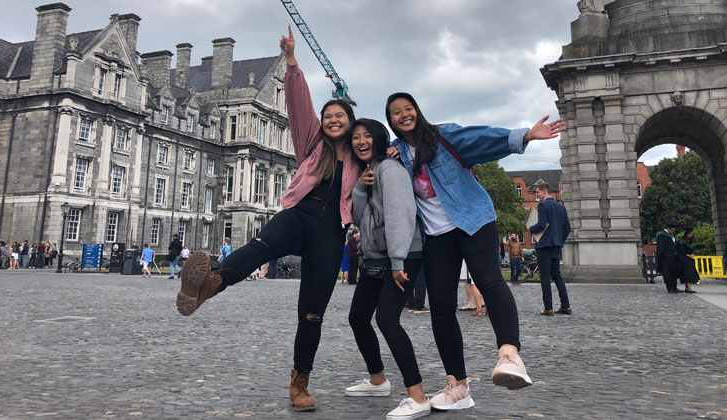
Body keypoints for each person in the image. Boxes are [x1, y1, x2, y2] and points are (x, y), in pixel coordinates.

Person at [175, 25, 359, 412]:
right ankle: (209, 283)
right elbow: (299, 104)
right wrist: (291, 62)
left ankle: (299, 383)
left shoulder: (362, 158)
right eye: (328, 115)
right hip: (299, 215)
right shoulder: (312, 142)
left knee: (311, 313)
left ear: (352, 121)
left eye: (340, 115)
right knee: (260, 246)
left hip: (330, 232)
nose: (332, 119)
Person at [386, 92, 564, 410]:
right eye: (396, 112)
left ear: (418, 111)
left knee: (489, 280)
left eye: (408, 108)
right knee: (440, 307)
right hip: (436, 235)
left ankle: (510, 356)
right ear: (392, 121)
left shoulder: (443, 136)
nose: (403, 114)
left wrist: (524, 134)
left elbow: (481, 138)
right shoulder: (396, 154)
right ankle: (459, 386)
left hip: (473, 220)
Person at [345, 118, 430, 419]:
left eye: (367, 135)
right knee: (357, 318)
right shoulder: (367, 173)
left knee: (387, 320)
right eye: (355, 137)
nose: (360, 141)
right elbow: (358, 218)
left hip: (403, 255)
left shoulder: (391, 170)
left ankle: (417, 396)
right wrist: (358, 187)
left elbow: (400, 216)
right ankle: (378, 380)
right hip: (376, 257)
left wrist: (397, 261)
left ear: (379, 139)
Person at [529, 182, 572, 316]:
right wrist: (559, 241)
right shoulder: (561, 207)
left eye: (537, 192)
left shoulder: (543, 205)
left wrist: (530, 228)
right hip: (556, 246)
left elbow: (541, 224)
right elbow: (567, 228)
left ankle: (548, 308)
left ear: (544, 191)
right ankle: (566, 306)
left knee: (545, 277)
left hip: (544, 246)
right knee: (557, 276)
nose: (536, 195)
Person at [657, 221, 681, 293]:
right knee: (668, 274)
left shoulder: (672, 236)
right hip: (666, 258)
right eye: (672, 230)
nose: (673, 232)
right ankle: (670, 288)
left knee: (674, 273)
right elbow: (661, 248)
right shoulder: (661, 235)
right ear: (668, 228)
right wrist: (668, 255)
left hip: (674, 258)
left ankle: (674, 287)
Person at [677, 227, 699, 293]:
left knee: (690, 273)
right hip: (684, 259)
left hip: (690, 259)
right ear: (686, 234)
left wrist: (692, 254)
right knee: (687, 273)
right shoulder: (682, 241)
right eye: (689, 234)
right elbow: (681, 251)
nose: (691, 236)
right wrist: (688, 255)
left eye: (692, 234)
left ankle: (687, 287)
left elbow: (691, 249)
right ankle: (689, 287)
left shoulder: (690, 241)